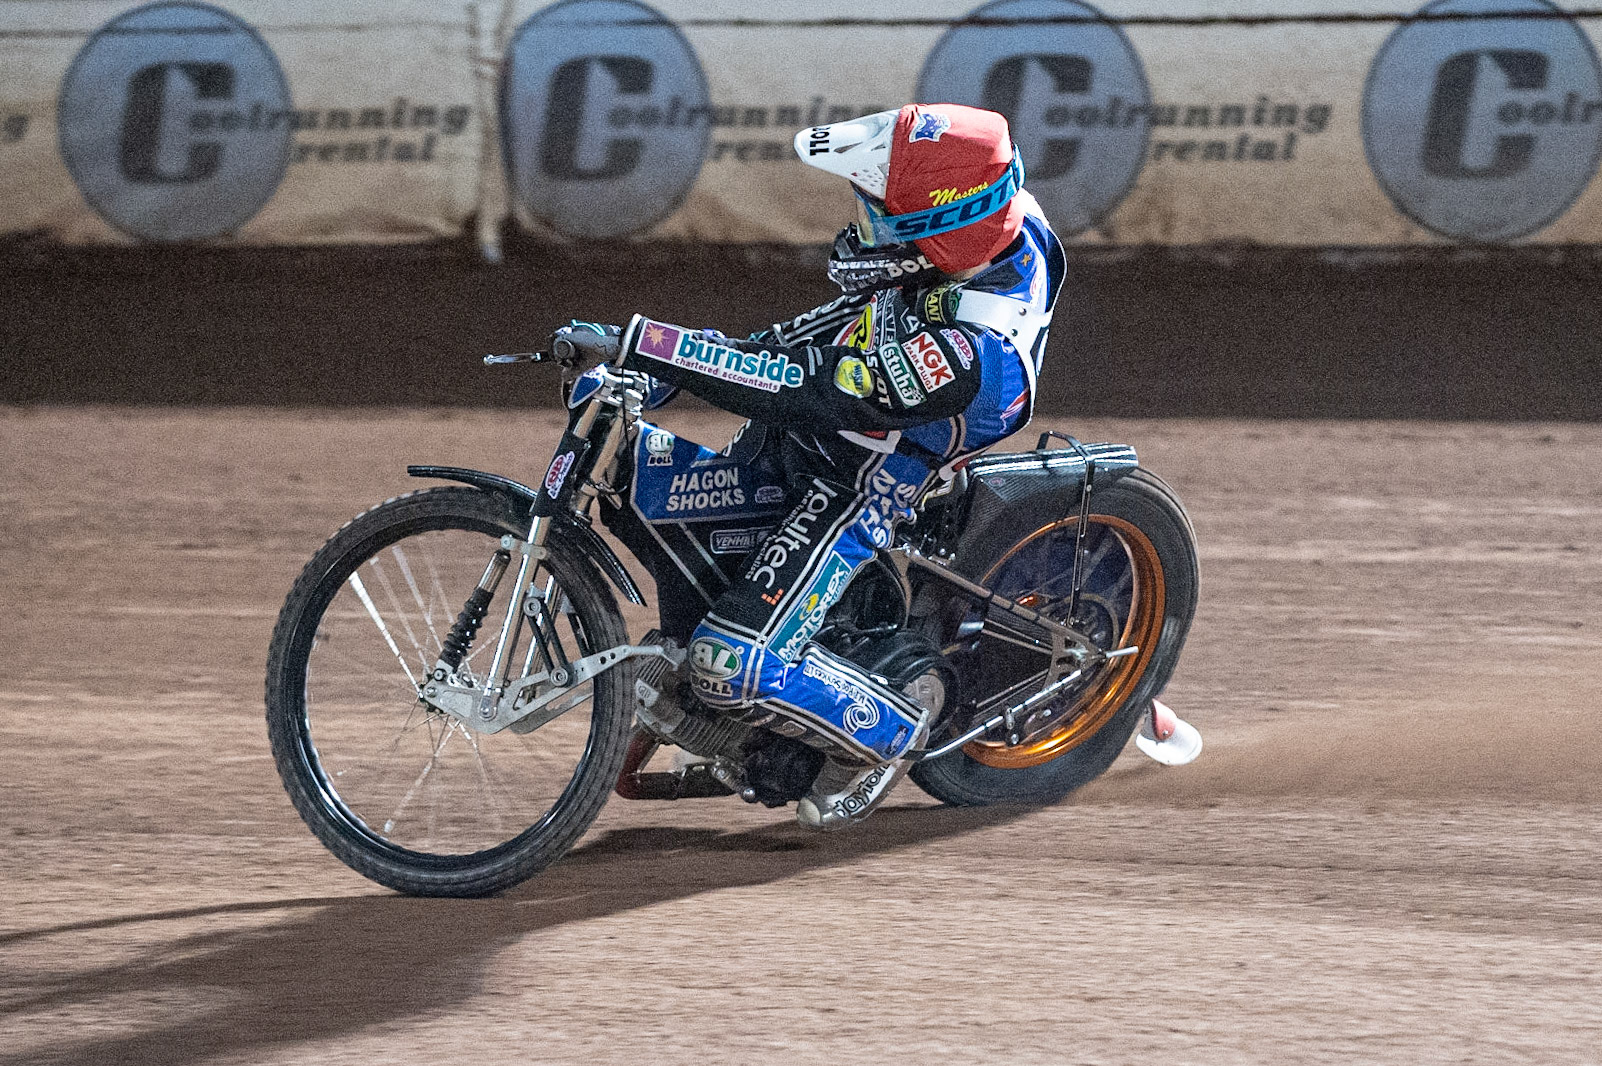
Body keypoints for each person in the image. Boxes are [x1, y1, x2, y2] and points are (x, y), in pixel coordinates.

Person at [561, 103, 1065, 829]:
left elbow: (808, 390)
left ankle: (893, 727)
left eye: (882, 221)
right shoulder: (994, 223)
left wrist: (656, 346)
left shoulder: (971, 357)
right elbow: (795, 347)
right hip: (881, 370)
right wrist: (663, 364)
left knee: (725, 667)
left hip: (865, 480)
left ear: (946, 233)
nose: (863, 233)